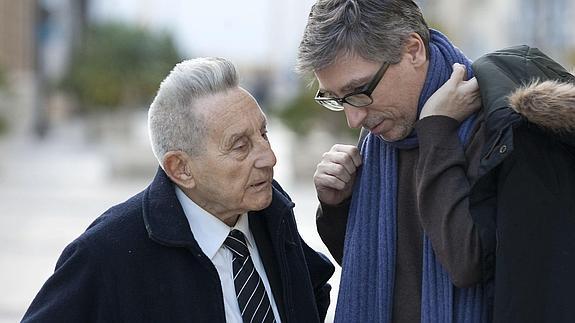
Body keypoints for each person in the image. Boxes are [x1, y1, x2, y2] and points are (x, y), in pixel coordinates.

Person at [296, 0, 575, 322]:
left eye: (359, 90)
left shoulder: (504, 128)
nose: (353, 118)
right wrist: (338, 205)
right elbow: (386, 271)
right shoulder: (383, 135)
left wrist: (436, 132)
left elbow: (468, 263)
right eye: (336, 99)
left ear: (413, 50)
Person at [21, 57, 334, 323]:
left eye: (263, 133)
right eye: (240, 146)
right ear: (180, 168)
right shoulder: (106, 252)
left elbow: (312, 289)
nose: (269, 157)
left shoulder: (271, 210)